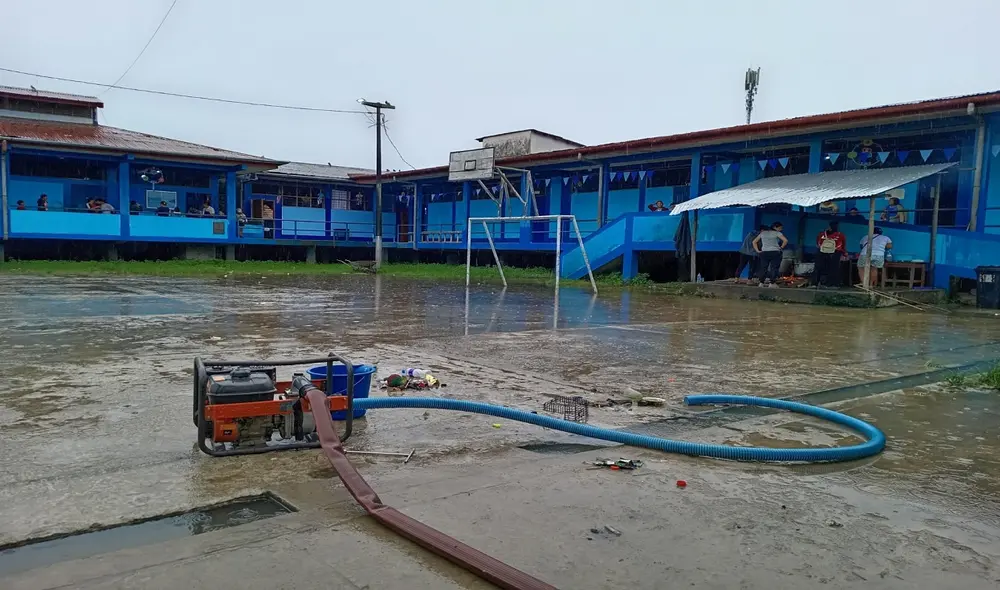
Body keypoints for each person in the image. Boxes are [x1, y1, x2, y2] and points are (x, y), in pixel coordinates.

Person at [752, 221, 788, 286]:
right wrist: (781, 247)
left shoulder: (763, 233)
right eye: (780, 228)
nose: (781, 229)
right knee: (774, 267)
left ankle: (761, 283)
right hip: (775, 252)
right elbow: (785, 240)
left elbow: (754, 242)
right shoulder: (777, 233)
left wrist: (757, 250)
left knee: (763, 267)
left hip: (764, 252)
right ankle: (772, 283)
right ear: (775, 227)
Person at [815, 221, 846, 288]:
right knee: (834, 268)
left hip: (822, 252)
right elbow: (843, 245)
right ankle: (832, 284)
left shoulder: (822, 234)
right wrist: (844, 253)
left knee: (820, 268)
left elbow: (818, 243)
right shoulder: (840, 235)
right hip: (835, 253)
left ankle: (817, 283)